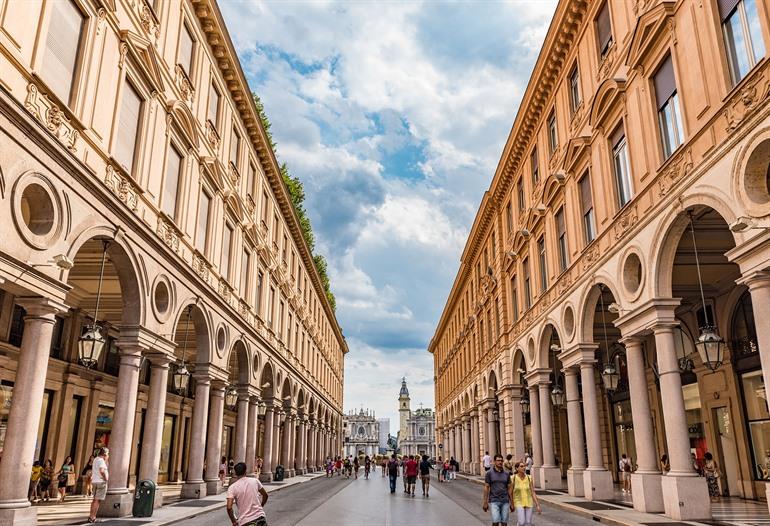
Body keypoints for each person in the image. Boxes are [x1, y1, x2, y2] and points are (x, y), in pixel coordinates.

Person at [226, 462, 269, 526]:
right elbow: (265, 495)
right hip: (260, 518)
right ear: (245, 471)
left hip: (245, 521)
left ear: (235, 473)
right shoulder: (255, 481)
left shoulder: (232, 487)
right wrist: (261, 505)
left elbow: (229, 507)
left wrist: (234, 521)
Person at [482, 454, 513, 526]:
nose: (500, 462)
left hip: (505, 500)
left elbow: (509, 488)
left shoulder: (506, 474)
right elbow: (486, 488)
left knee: (504, 522)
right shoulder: (489, 473)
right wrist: (485, 502)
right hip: (494, 500)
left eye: (501, 461)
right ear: (494, 461)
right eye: (498, 460)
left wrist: (512, 503)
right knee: (495, 521)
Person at [512, 461, 541, 526]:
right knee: (521, 522)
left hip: (529, 501)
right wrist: (511, 503)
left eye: (524, 466)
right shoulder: (513, 478)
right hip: (518, 501)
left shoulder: (529, 477)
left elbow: (532, 492)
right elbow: (510, 492)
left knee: (528, 522)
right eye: (521, 466)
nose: (524, 468)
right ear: (517, 468)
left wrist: (537, 505)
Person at [88, 447, 109, 524]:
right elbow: (102, 470)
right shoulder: (101, 461)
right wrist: (105, 478)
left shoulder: (96, 459)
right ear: (105, 454)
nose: (108, 455)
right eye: (108, 454)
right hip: (101, 482)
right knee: (97, 501)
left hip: (95, 481)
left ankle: (91, 516)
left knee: (94, 500)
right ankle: (93, 517)